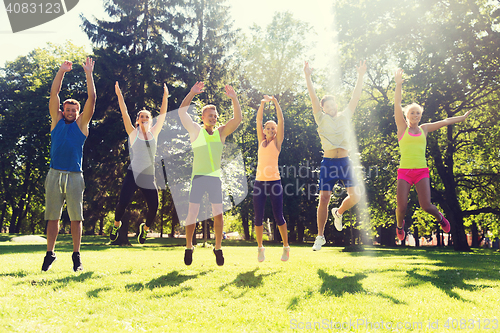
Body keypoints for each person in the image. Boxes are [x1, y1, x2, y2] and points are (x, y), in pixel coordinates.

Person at [394, 68, 470, 241]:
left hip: (421, 171)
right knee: (402, 207)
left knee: (426, 205)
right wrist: (398, 85)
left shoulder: (424, 129)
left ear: (421, 116)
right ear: (407, 115)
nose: (415, 115)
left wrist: (462, 118)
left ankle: (441, 218)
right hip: (404, 171)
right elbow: (397, 105)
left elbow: (444, 122)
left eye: (418, 113)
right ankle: (399, 226)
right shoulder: (402, 129)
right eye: (412, 113)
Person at [304, 60, 366, 251]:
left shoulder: (345, 115)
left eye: (333, 105)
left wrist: (361, 75)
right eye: (327, 106)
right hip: (329, 162)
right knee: (324, 198)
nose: (331, 108)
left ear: (336, 105)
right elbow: (313, 97)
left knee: (355, 196)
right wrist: (307, 76)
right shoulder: (320, 118)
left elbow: (355, 97)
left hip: (345, 161)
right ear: (323, 109)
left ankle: (338, 212)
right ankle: (320, 236)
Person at [42, 58, 96, 272]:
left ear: (79, 112)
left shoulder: (82, 125)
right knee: (52, 217)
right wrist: (61, 71)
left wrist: (88, 73)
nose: (71, 112)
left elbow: (92, 97)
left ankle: (76, 256)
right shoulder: (56, 122)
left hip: (74, 175)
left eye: (75, 110)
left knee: (76, 217)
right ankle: (50, 253)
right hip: (54, 174)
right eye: (68, 109)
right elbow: (54, 93)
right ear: (63, 110)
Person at [178, 81, 242, 266]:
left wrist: (234, 98)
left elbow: (237, 120)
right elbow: (182, 112)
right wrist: (191, 92)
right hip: (198, 177)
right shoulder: (196, 131)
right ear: (203, 116)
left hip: (215, 179)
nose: (213, 118)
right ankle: (189, 246)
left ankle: (218, 247)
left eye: (215, 116)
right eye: (210, 115)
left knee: (218, 215)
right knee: (192, 214)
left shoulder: (220, 133)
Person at [109, 82, 168, 244]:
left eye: (147, 117)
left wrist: (165, 96)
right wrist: (120, 96)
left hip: (148, 176)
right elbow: (124, 112)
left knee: (154, 207)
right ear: (137, 120)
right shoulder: (133, 133)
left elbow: (162, 114)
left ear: (150, 120)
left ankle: (145, 229)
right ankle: (116, 225)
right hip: (133, 174)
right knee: (123, 203)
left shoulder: (154, 132)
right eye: (141, 117)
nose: (144, 119)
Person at [253, 95, 290, 262]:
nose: (271, 130)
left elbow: (281, 120)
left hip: (274, 182)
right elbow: (259, 119)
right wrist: (261, 103)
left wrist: (275, 102)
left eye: (273, 129)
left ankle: (286, 247)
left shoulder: (277, 143)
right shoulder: (261, 141)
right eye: (268, 128)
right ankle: (260, 248)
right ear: (264, 131)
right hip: (259, 182)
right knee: (258, 217)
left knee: (278, 216)